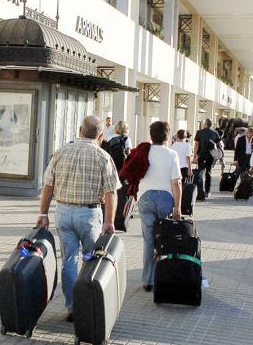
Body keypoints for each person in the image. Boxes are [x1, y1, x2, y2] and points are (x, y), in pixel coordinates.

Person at [36, 116, 121, 322]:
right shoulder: (103, 156)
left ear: (79, 130)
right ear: (100, 136)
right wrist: (109, 221)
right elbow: (111, 192)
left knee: (69, 261)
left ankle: (72, 307)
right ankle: (89, 303)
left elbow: (48, 186)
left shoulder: (61, 152)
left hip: (63, 212)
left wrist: (43, 213)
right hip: (89, 214)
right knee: (92, 260)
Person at [137, 121, 182, 292]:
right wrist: (177, 208)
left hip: (145, 198)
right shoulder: (172, 154)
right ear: (167, 135)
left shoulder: (143, 152)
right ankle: (162, 275)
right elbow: (176, 183)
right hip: (165, 199)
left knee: (149, 240)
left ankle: (148, 281)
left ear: (151, 135)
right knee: (163, 239)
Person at [193, 119, 221, 198]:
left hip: (201, 155)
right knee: (208, 173)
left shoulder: (199, 132)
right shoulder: (215, 133)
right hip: (211, 156)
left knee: (200, 173)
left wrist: (194, 155)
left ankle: (200, 191)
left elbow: (196, 144)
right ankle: (207, 191)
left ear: (205, 124)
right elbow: (220, 144)